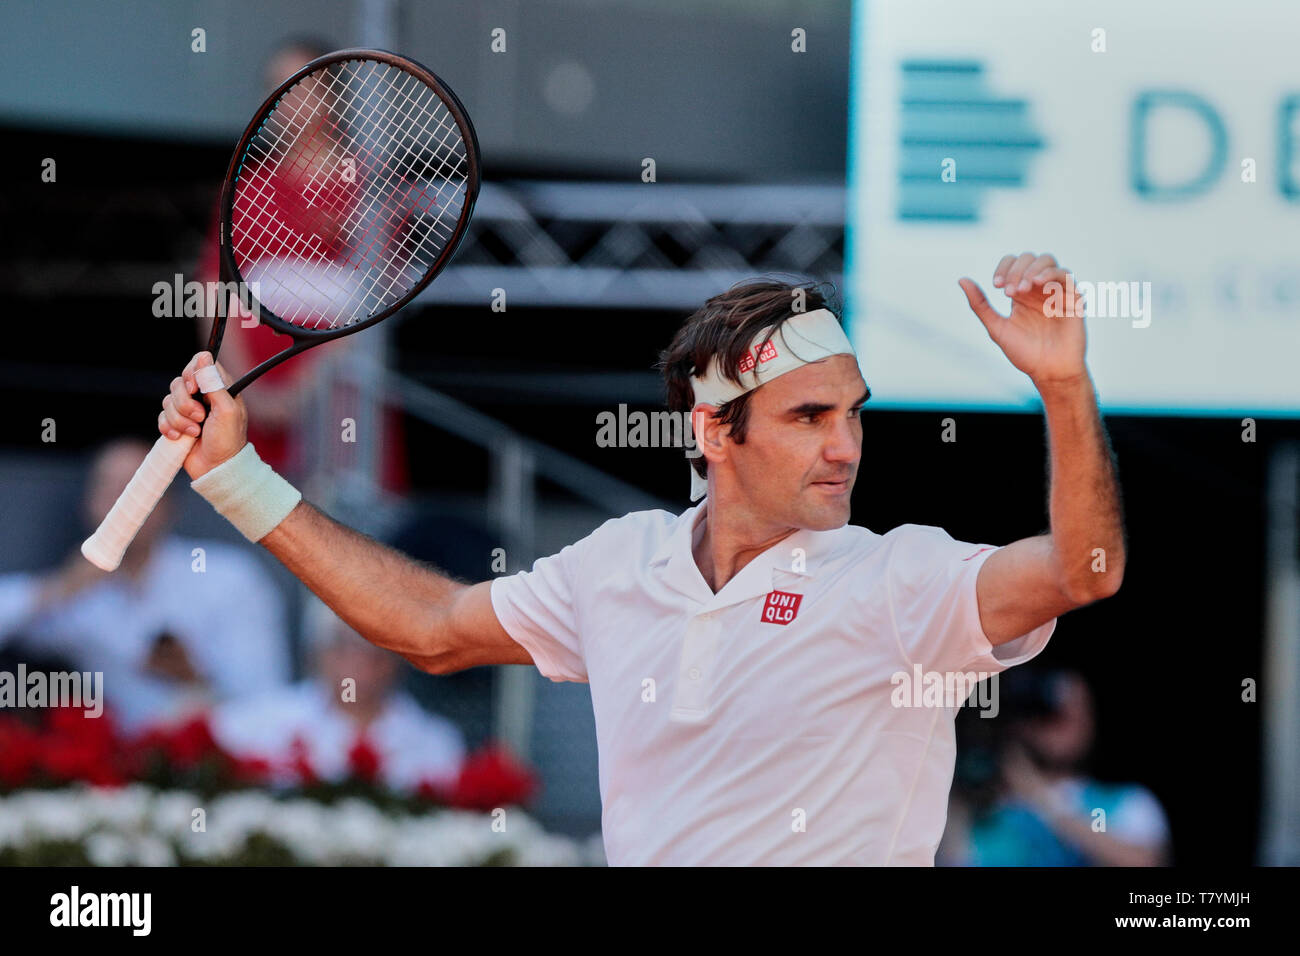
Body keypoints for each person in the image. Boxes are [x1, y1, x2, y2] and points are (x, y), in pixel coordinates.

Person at [156, 251, 1126, 865]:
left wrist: (1063, 387)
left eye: (852, 414)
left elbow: (1084, 569)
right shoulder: (617, 562)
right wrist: (236, 475)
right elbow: (428, 629)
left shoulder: (897, 576)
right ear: (712, 429)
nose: (846, 444)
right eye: (808, 416)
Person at [193, 36, 409, 491]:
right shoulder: (246, 188)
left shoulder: (373, 190)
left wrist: (306, 390)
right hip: (252, 401)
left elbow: (378, 305)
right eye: (275, 87)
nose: (286, 101)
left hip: (342, 402)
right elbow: (213, 290)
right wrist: (240, 387)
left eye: (300, 86)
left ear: (332, 98)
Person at [0, 438, 292, 731]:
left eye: (135, 488)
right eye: (107, 488)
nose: (120, 504)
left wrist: (196, 678)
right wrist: (59, 589)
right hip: (118, 767)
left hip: (214, 762)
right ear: (88, 504)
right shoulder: (77, 599)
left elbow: (267, 701)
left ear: (167, 503)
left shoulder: (229, 577)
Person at [209, 599, 465, 793]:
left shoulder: (436, 743)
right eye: (344, 644)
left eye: (377, 648)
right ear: (317, 652)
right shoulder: (258, 722)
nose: (360, 662)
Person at [940, 669, 1170, 866]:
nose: (1057, 724)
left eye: (1073, 712)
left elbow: (1141, 861)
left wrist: (1042, 798)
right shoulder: (986, 810)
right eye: (1045, 712)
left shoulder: (1114, 805)